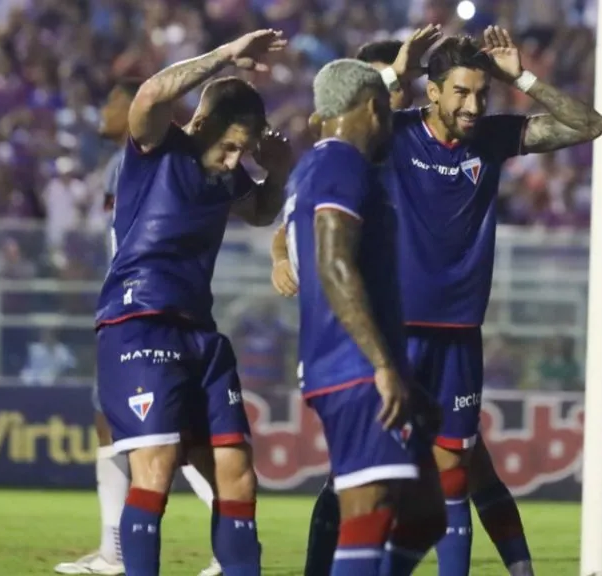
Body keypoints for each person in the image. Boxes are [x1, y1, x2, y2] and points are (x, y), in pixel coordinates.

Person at [276, 27, 602, 576]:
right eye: (461, 92)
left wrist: (521, 77)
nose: (474, 105)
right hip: (393, 332)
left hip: (458, 333)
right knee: (362, 480)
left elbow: (588, 125)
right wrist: (393, 75)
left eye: (482, 93)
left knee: (452, 479)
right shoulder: (394, 135)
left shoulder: (492, 140)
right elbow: (329, 136)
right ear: (432, 92)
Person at [95, 29, 291, 576]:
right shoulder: (158, 147)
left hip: (199, 334)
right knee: (153, 469)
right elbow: (150, 95)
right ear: (200, 124)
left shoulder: (223, 177)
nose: (233, 162)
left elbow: (261, 213)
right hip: (139, 322)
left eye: (243, 152)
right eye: (229, 147)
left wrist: (275, 172)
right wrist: (226, 56)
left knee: (238, 473)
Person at [284, 57, 446, 576]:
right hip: (353, 365)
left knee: (426, 514)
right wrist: (381, 364)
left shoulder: (316, 165)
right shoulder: (340, 164)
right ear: (375, 108)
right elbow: (334, 264)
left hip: (356, 361)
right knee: (369, 510)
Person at [54, 80, 223, 576]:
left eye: (112, 99)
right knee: (110, 420)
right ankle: (114, 549)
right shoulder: (118, 164)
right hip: (125, 306)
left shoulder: (149, 154)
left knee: (179, 436)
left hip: (151, 310)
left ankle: (224, 543)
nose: (104, 109)